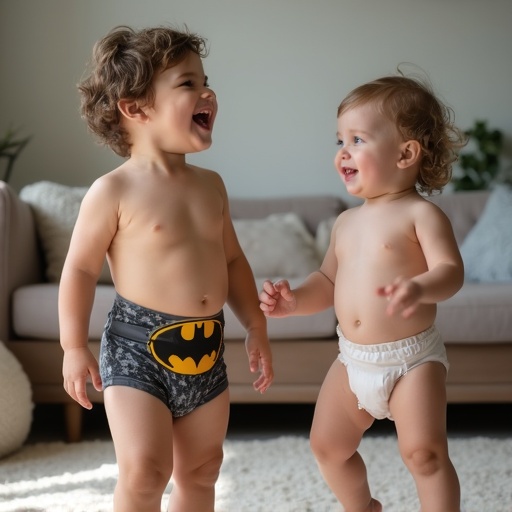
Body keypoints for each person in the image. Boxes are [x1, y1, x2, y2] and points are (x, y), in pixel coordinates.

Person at [59, 25, 273, 512]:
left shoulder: (211, 185)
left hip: (206, 346)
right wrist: (74, 346)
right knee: (145, 472)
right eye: (187, 84)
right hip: (137, 350)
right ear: (135, 108)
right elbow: (79, 271)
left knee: (202, 470)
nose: (207, 92)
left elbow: (234, 260)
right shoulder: (113, 191)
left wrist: (255, 324)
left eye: (204, 80)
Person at [260, 73, 466, 512]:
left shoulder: (421, 215)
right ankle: (363, 507)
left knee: (424, 454)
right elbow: (328, 283)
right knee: (328, 446)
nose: (343, 152)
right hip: (353, 360)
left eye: (357, 139)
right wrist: (296, 299)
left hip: (412, 359)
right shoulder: (346, 223)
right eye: (339, 140)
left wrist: (420, 286)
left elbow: (451, 272)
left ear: (406, 153)